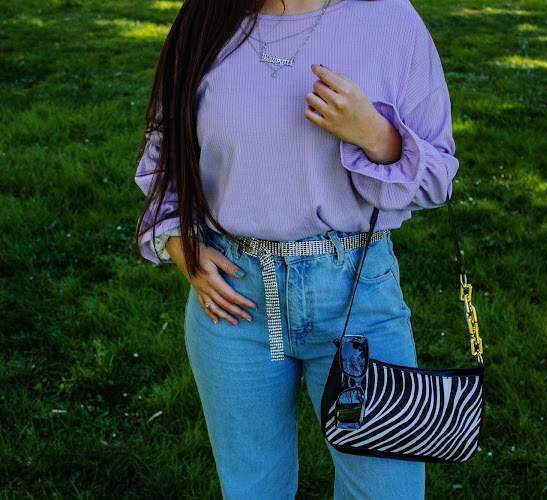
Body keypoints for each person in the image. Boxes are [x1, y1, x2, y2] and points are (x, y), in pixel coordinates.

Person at [134, 0, 459, 497]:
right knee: (252, 490)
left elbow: (438, 178)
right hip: (234, 302)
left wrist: (375, 134)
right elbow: (164, 151)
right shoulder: (206, 16)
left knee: (387, 490)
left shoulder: (390, 18)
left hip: (357, 300)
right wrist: (179, 243)